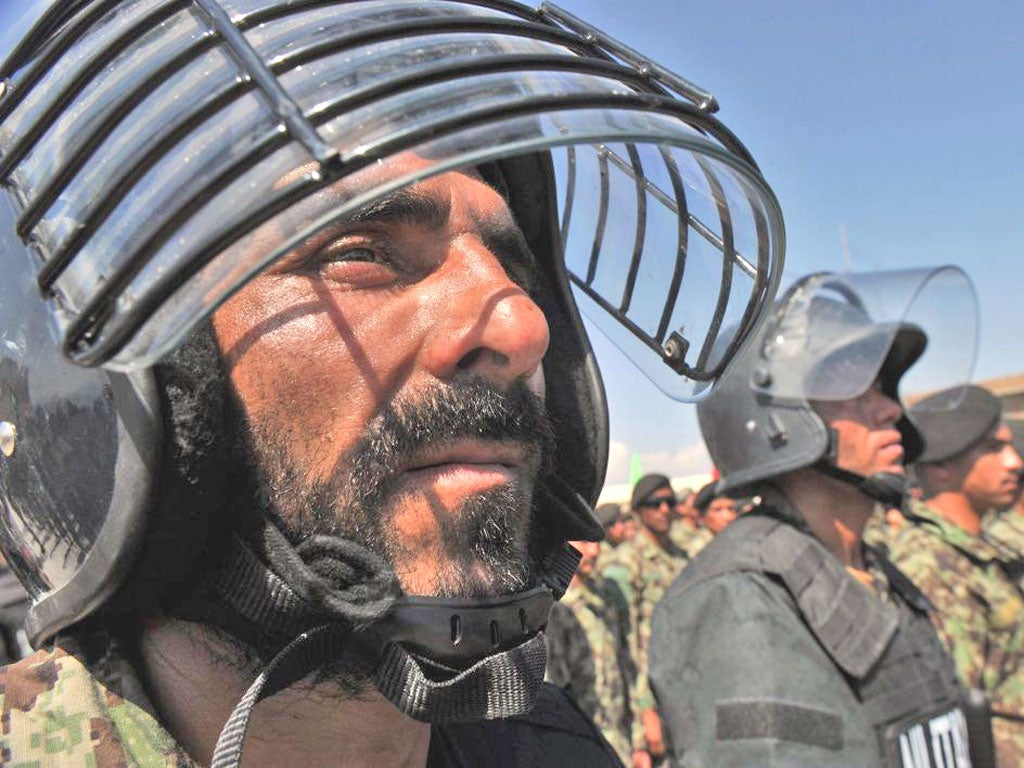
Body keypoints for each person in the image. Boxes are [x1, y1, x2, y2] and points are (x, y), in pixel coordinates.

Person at [0, 2, 785, 767]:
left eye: (513, 264)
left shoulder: (555, 743)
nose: (522, 328)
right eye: (362, 254)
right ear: (159, 387)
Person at [649, 268, 989, 767]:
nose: (889, 410)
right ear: (775, 419)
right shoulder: (736, 597)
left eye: (882, 385)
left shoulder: (873, 571)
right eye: (848, 382)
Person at [887, 385, 1024, 766]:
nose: (1014, 462)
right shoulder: (928, 566)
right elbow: (959, 715)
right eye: (993, 449)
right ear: (941, 467)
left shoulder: (983, 547)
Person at [601, 474, 690, 765]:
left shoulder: (681, 556)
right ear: (638, 511)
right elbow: (625, 647)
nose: (665, 510)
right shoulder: (625, 564)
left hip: (686, 687)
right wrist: (645, 713)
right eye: (655, 503)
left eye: (670, 502)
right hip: (650, 698)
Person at [545, 540, 642, 767]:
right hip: (582, 741)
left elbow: (625, 664)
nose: (595, 551)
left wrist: (638, 739)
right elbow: (556, 686)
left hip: (618, 736)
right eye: (586, 544)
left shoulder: (603, 596)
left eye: (597, 543)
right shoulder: (557, 607)